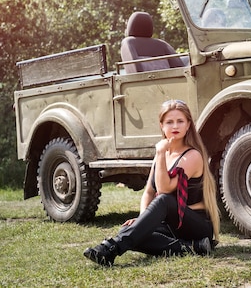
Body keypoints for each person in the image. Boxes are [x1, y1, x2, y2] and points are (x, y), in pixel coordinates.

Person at [83, 99, 220, 266]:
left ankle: (111, 249)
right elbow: (149, 191)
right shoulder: (161, 155)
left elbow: (163, 190)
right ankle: (193, 247)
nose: (175, 126)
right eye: (169, 122)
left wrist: (161, 153)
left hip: (196, 225)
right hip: (173, 225)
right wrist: (142, 219)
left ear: (188, 125)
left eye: (180, 121)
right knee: (129, 231)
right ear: (161, 125)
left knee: (164, 200)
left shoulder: (192, 156)